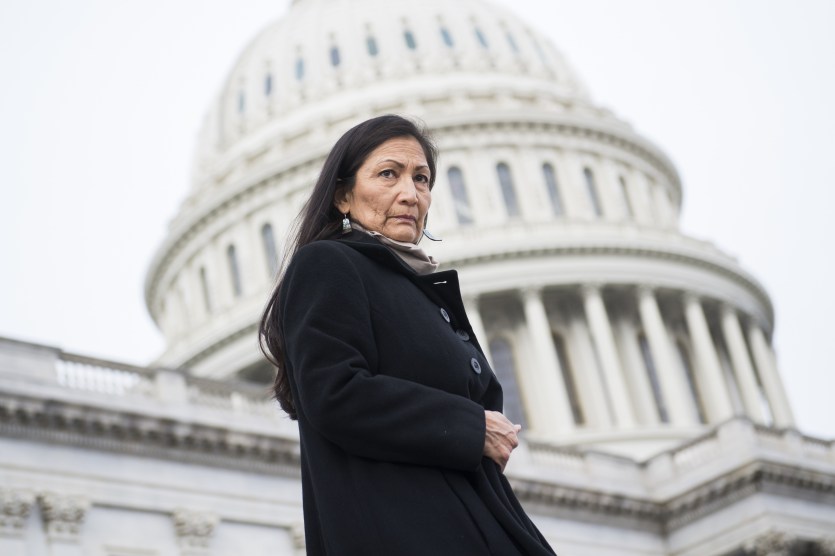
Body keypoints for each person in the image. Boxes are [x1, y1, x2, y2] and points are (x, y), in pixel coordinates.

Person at [259, 114, 556, 555]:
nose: (410, 194)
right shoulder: (328, 264)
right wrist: (471, 426)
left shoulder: (421, 292)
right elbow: (335, 392)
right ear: (343, 196)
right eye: (388, 174)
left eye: (421, 178)